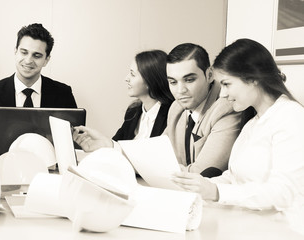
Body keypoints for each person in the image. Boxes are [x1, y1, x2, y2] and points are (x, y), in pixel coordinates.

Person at [172, 38, 304, 212]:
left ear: (253, 79)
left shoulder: (291, 116)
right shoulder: (252, 123)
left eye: (227, 84)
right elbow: (234, 178)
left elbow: (285, 192)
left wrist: (217, 192)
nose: (223, 94)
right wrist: (196, 184)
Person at [0, 23, 77, 154]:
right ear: (15, 51)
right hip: (3, 168)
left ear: (46, 60)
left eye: (36, 55)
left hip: (49, 170)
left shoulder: (63, 93)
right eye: (24, 52)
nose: (28, 60)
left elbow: (75, 143)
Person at [164, 43, 244, 177]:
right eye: (173, 82)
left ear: (210, 75)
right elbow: (157, 156)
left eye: (189, 80)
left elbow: (202, 172)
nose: (180, 91)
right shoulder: (176, 108)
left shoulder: (227, 107)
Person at [73, 50, 174, 151]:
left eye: (132, 74)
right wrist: (99, 143)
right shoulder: (133, 112)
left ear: (150, 81)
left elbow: (154, 156)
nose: (126, 78)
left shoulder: (172, 115)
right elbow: (116, 146)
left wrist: (109, 145)